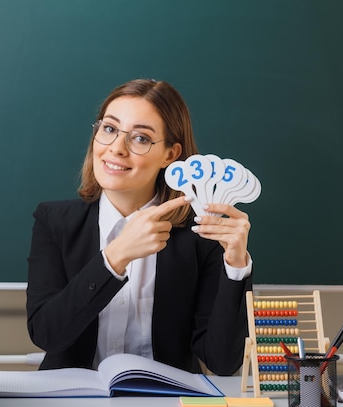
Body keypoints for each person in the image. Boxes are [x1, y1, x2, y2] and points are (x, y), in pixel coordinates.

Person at [26, 79, 252, 376]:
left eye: (140, 138)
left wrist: (236, 267)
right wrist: (114, 258)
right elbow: (47, 335)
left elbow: (223, 363)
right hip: (73, 399)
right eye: (109, 129)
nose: (116, 149)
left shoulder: (200, 234)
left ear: (170, 155)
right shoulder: (54, 221)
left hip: (168, 403)